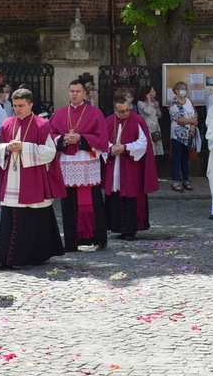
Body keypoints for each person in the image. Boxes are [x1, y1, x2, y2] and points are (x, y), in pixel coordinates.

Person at [0, 88, 66, 268]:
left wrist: (24, 147)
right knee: (10, 217)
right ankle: (5, 258)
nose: (17, 109)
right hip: (12, 176)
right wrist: (7, 148)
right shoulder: (7, 124)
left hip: (32, 178)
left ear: (31, 105)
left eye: (22, 106)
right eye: (15, 105)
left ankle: (26, 257)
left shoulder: (41, 124)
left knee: (30, 218)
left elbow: (50, 152)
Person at [49, 79, 109, 251]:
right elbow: (50, 136)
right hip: (67, 164)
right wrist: (62, 139)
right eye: (71, 91)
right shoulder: (60, 113)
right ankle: (72, 242)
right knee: (68, 203)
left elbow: (102, 139)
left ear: (84, 94)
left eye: (78, 91)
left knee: (93, 201)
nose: (74, 94)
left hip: (87, 163)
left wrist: (81, 138)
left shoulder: (95, 113)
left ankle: (96, 239)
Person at [103, 97, 159, 240]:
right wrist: (111, 148)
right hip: (115, 164)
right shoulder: (109, 121)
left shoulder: (137, 120)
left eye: (128, 110)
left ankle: (130, 229)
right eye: (121, 111)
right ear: (115, 110)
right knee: (116, 193)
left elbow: (143, 143)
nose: (125, 114)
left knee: (131, 195)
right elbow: (102, 142)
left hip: (131, 166)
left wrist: (126, 148)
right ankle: (118, 228)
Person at [169, 81, 199, 192]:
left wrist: (192, 125)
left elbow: (195, 113)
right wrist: (192, 121)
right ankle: (175, 181)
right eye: (181, 88)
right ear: (176, 90)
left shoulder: (189, 101)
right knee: (176, 157)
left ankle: (186, 180)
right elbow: (178, 119)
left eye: (185, 88)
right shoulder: (173, 102)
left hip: (189, 133)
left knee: (186, 158)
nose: (184, 90)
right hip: (177, 134)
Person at [137, 85, 164, 156]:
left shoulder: (153, 103)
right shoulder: (140, 103)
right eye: (152, 91)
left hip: (155, 128)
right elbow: (148, 111)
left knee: (155, 145)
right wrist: (148, 100)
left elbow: (159, 115)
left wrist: (157, 107)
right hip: (147, 127)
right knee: (149, 146)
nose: (154, 92)